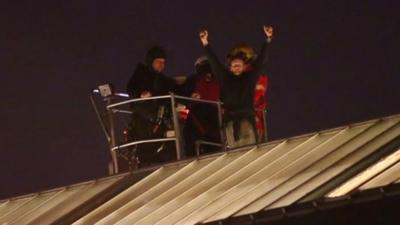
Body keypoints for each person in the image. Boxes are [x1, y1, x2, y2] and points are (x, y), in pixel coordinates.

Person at [198, 26, 274, 148]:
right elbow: (214, 62)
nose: (236, 67)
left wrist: (268, 39)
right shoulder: (225, 78)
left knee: (250, 155)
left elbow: (261, 61)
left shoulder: (250, 78)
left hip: (247, 122)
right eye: (234, 65)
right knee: (235, 157)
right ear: (230, 67)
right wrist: (205, 43)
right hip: (231, 124)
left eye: (239, 65)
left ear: (244, 66)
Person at [125, 46, 177, 167]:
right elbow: (131, 88)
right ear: (151, 61)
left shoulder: (164, 81)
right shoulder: (141, 73)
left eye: (164, 62)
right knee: (145, 155)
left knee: (166, 152)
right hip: (143, 124)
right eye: (159, 61)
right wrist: (141, 94)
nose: (162, 65)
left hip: (160, 123)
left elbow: (174, 90)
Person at [183, 57, 221, 156]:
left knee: (192, 144)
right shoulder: (219, 80)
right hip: (211, 119)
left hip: (202, 118)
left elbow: (183, 95)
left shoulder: (193, 80)